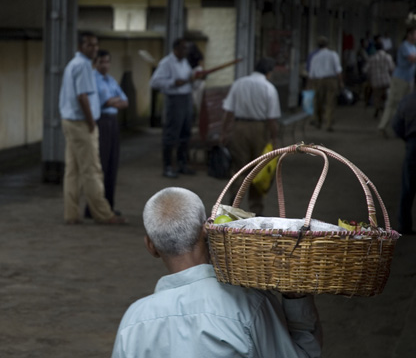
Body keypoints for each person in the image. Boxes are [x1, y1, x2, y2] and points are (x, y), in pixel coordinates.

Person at [111, 187, 323, 358]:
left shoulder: (133, 320)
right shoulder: (249, 305)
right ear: (206, 229)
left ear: (151, 246)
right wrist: (297, 299)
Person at [59, 31, 127, 225]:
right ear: (81, 46)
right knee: (92, 170)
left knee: (72, 170)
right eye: (90, 45)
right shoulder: (83, 66)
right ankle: (103, 214)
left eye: (96, 45)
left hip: (70, 121)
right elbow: (83, 97)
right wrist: (91, 122)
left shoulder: (73, 64)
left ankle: (71, 213)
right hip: (81, 123)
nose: (94, 48)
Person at [219, 58, 281, 216]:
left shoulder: (239, 83)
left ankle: (234, 205)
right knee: (257, 169)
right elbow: (272, 118)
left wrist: (224, 132)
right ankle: (256, 208)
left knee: (239, 168)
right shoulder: (269, 88)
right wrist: (274, 139)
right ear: (268, 73)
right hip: (260, 130)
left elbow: (228, 111)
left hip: (239, 128)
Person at [84, 49, 128, 216]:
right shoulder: (93, 80)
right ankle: (92, 207)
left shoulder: (110, 80)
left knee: (111, 164)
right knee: (99, 164)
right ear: (96, 63)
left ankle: (108, 205)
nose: (105, 65)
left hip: (112, 122)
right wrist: (113, 101)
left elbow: (125, 102)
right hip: (100, 121)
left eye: (107, 62)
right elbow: (106, 101)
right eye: (101, 62)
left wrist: (113, 102)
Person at [150, 38, 200, 178]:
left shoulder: (185, 62)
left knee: (185, 133)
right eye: (183, 48)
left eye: (186, 49)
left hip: (186, 98)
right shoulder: (166, 63)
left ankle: (182, 164)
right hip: (174, 100)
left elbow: (189, 80)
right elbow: (154, 82)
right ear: (176, 49)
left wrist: (196, 78)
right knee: (171, 134)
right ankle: (167, 167)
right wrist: (173, 82)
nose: (186, 51)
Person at [378, 26, 416, 137]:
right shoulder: (405, 46)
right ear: (409, 35)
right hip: (400, 79)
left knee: (403, 104)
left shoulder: (413, 47)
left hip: (408, 80)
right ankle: (385, 127)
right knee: (394, 104)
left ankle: (396, 128)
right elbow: (412, 58)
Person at [392, 91, 416, 235]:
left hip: (413, 145)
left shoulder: (408, 101)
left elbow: (396, 125)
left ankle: (404, 224)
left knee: (408, 187)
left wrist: (408, 139)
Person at [308, 36, 344, 132]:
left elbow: (311, 73)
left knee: (318, 102)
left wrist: (310, 85)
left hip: (318, 81)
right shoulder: (333, 55)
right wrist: (340, 82)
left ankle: (318, 121)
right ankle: (328, 123)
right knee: (330, 102)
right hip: (331, 80)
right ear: (327, 45)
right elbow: (338, 70)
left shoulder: (315, 57)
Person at [364, 40, 395, 118]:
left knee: (377, 97)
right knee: (386, 96)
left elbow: (365, 70)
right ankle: (384, 110)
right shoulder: (388, 57)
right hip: (386, 80)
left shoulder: (372, 58)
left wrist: (370, 76)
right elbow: (392, 69)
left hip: (376, 82)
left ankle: (377, 109)